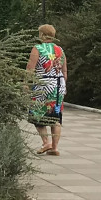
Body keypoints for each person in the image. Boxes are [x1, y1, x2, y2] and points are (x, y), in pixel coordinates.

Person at [25, 24, 67, 155]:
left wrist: (26, 83)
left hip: (43, 85)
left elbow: (30, 67)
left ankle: (45, 142)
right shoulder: (60, 49)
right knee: (56, 116)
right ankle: (54, 148)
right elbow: (64, 70)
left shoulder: (37, 48)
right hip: (58, 85)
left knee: (37, 114)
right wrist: (64, 85)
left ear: (42, 35)